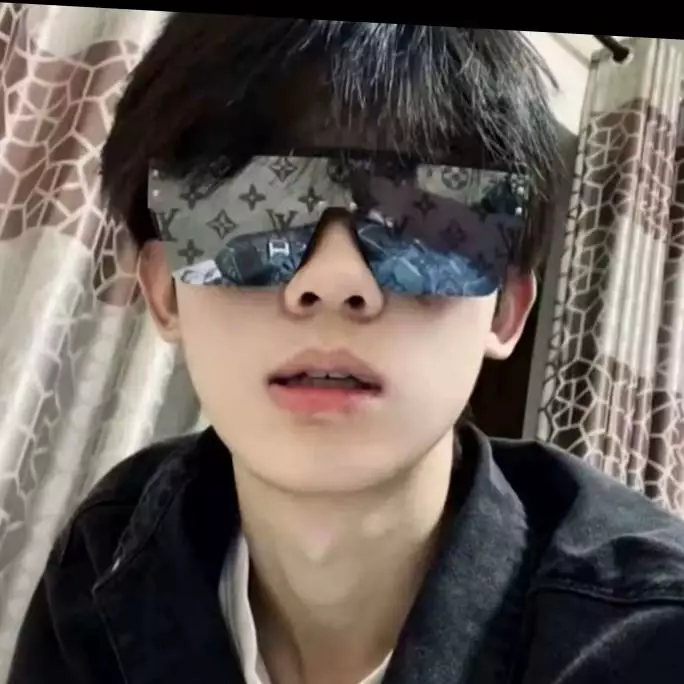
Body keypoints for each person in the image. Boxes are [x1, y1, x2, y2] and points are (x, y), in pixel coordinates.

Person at [8, 16, 684, 684]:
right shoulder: (106, 557)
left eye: (421, 221)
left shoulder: (650, 640)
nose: (334, 281)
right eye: (252, 212)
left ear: (505, 308)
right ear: (164, 292)